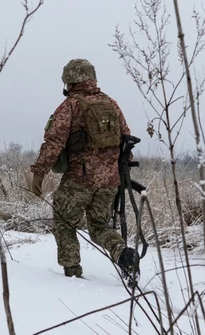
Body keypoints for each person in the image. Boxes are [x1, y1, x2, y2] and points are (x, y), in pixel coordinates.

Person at [29, 59, 139, 279]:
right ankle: (123, 254)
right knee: (100, 226)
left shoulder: (70, 105)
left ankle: (72, 272)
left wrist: (39, 173)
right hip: (109, 182)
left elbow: (53, 142)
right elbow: (126, 139)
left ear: (69, 81)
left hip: (79, 179)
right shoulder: (111, 104)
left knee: (64, 221)